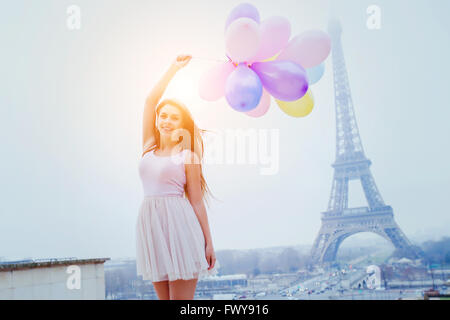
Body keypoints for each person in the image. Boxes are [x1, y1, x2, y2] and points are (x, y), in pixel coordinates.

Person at [136, 54, 220, 300]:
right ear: (158, 119)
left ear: (182, 124)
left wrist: (208, 243)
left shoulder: (188, 156)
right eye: (164, 116)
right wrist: (173, 68)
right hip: (152, 228)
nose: (167, 121)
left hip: (180, 228)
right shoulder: (148, 146)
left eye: (174, 117)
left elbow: (196, 201)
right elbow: (150, 100)